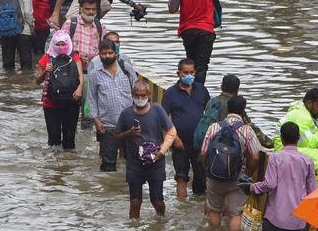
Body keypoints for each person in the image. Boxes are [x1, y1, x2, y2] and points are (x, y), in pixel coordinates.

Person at [252, 121, 318, 231]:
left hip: (274, 219)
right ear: (298, 137)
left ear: (281, 139)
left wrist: (253, 187)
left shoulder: (275, 158)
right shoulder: (307, 161)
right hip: (298, 219)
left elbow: (270, 184)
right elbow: (313, 191)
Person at [168, 0, 234, 87]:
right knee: (201, 66)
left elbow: (172, 9)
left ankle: (188, 90)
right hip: (205, 30)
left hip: (187, 31)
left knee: (190, 63)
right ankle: (198, 93)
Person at [115, 80, 177, 219]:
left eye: (143, 95)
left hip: (156, 161)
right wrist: (129, 133)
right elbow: (117, 136)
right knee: (135, 201)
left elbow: (171, 131)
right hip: (134, 163)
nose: (140, 98)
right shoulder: (126, 114)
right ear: (132, 95)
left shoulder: (157, 110)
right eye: (137, 95)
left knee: (157, 200)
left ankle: (161, 220)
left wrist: (161, 151)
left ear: (149, 95)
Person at [200, 95, 261, 231]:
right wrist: (247, 174)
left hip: (214, 176)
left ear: (228, 109)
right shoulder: (247, 130)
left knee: (214, 210)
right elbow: (256, 157)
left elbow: (203, 153)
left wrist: (208, 170)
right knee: (236, 214)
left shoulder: (214, 127)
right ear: (243, 111)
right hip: (236, 177)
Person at [162, 58, 210, 200]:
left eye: (191, 72)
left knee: (201, 179)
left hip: (200, 143)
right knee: (181, 177)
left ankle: (197, 207)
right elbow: (163, 119)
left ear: (195, 72)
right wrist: (174, 138)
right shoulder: (170, 93)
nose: (189, 75)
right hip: (180, 144)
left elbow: (209, 114)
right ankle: (182, 207)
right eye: (185, 73)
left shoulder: (201, 90)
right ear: (178, 73)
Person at [274, 87, 318, 182]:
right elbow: (308, 144)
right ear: (309, 103)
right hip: (285, 150)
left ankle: (314, 178)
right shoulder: (301, 116)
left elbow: (313, 139)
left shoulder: (311, 115)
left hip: (301, 148)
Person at [87, 39, 137, 172]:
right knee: (108, 164)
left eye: (110, 53)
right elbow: (91, 100)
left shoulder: (126, 69)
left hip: (129, 124)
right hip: (107, 126)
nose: (108, 56)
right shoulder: (94, 75)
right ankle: (109, 190)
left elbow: (137, 92)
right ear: (99, 54)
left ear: (115, 53)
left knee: (132, 161)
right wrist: (96, 121)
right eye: (104, 53)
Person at [194, 74, 273, 149]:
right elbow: (251, 129)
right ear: (237, 90)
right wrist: (271, 143)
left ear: (221, 87)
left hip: (208, 144)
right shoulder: (234, 104)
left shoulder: (211, 102)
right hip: (226, 149)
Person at [36, 30, 85, 149]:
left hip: (71, 101)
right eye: (58, 44)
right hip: (51, 103)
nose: (61, 47)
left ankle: (68, 163)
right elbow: (37, 81)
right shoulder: (46, 57)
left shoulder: (74, 56)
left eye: (63, 44)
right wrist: (45, 72)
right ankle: (55, 165)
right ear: (53, 44)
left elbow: (80, 76)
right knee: (53, 141)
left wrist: (79, 90)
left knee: (69, 140)